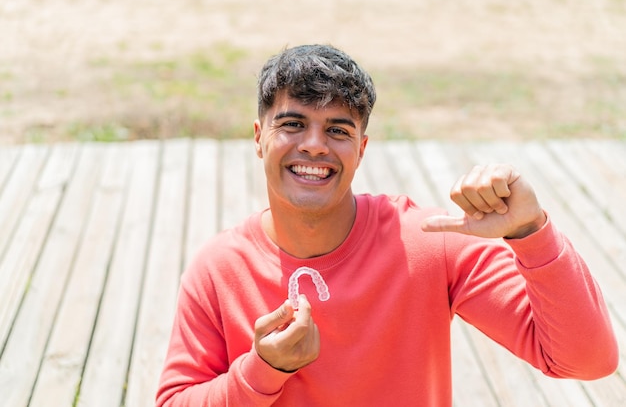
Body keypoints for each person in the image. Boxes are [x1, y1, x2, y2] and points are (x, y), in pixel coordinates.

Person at [155, 44, 618, 406]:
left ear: (362, 147)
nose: (315, 146)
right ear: (259, 138)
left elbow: (587, 360)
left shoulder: (428, 243)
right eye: (292, 124)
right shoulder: (216, 270)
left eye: (338, 130)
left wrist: (531, 233)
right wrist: (263, 369)